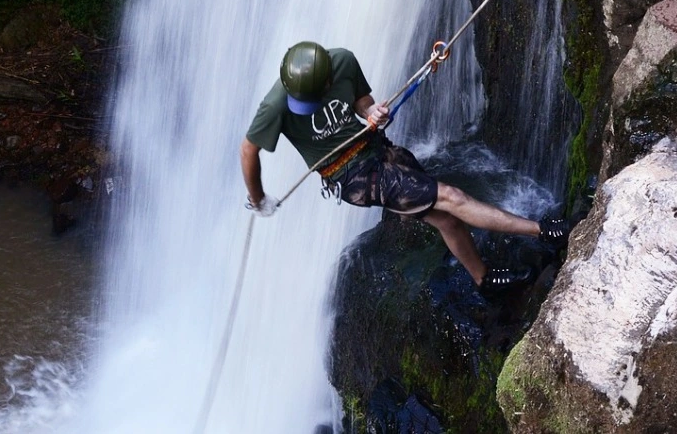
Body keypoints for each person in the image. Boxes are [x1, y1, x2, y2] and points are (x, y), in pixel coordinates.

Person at [240, 41, 570, 295]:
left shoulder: (342, 61)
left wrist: (372, 113)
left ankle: (482, 280)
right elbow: (248, 150)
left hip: (378, 151)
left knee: (444, 216)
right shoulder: (276, 105)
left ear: (328, 79)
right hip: (353, 177)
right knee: (451, 196)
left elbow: (362, 102)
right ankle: (542, 231)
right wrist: (259, 199)